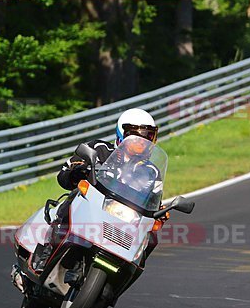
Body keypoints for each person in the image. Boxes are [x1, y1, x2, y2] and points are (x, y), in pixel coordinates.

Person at [31, 108, 160, 272]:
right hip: (91, 207)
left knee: (152, 237)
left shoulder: (151, 171)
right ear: (122, 134)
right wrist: (77, 173)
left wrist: (160, 211)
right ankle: (48, 251)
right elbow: (63, 175)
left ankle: (128, 272)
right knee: (76, 195)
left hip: (123, 218)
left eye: (147, 137)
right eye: (135, 137)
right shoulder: (99, 149)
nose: (142, 142)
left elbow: (154, 198)